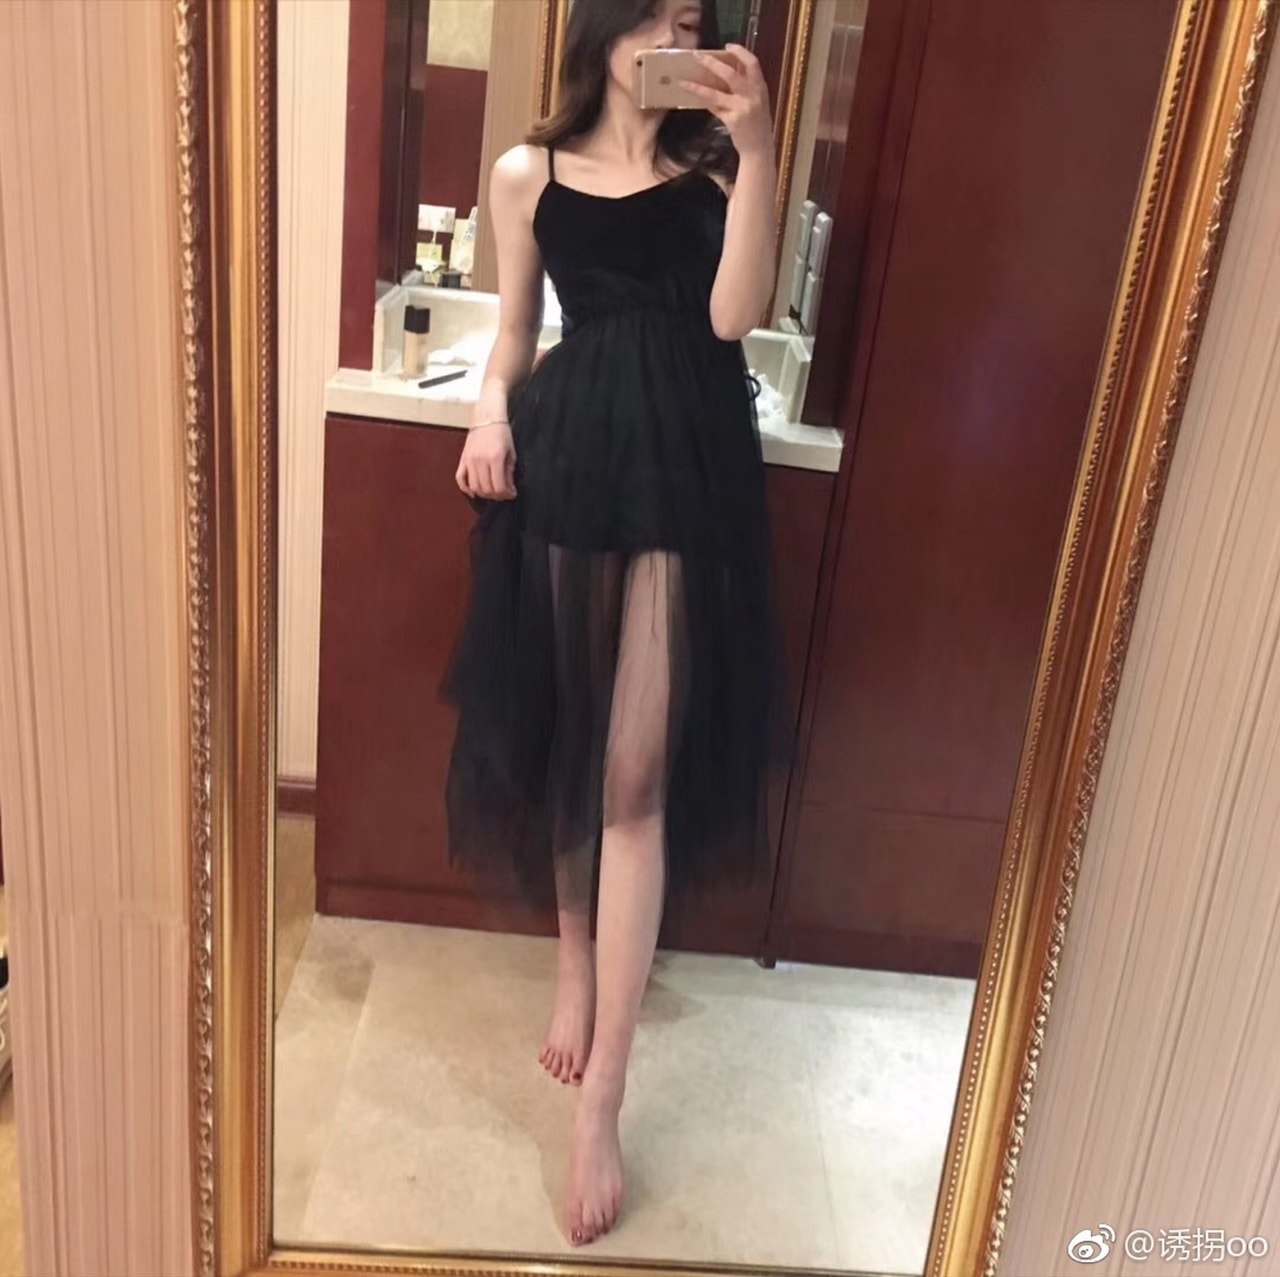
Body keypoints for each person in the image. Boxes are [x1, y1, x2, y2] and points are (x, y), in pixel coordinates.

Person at [440, 0, 791, 1248]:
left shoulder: (718, 168)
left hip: (689, 463)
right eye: (653, 15)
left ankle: (605, 1097)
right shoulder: (524, 171)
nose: (671, 37)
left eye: (691, 20)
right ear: (601, 25)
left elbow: (732, 317)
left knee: (634, 774)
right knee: (571, 741)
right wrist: (490, 414)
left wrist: (759, 147)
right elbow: (512, 333)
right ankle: (573, 964)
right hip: (572, 449)